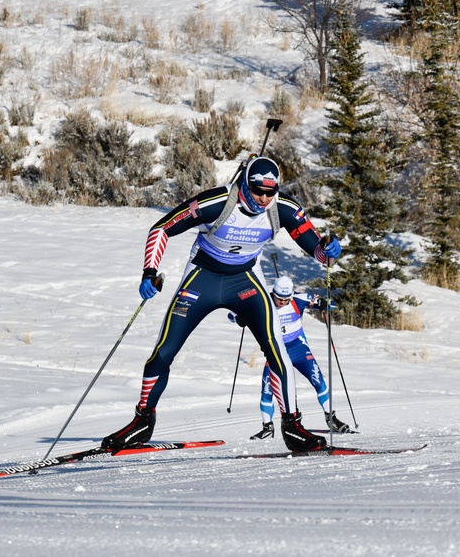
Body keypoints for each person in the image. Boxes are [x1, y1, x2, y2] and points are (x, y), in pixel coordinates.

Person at [101, 156, 342, 453]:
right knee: (163, 352)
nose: (265, 199)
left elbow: (318, 253)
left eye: (271, 192)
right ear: (245, 184)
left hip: (245, 281)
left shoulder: (284, 209)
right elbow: (161, 229)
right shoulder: (216, 202)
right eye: (258, 191)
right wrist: (149, 272)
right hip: (202, 277)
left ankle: (292, 427)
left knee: (278, 351)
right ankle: (142, 422)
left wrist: (328, 250)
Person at [240, 276, 351, 440]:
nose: (283, 302)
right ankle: (267, 427)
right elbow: (234, 313)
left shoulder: (298, 299)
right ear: (273, 294)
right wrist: (240, 318)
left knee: (318, 381)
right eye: (280, 299)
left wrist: (324, 304)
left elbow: (331, 304)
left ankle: (331, 418)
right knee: (267, 390)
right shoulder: (263, 302)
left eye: (286, 299)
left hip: (298, 348)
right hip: (276, 351)